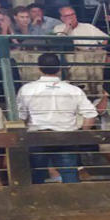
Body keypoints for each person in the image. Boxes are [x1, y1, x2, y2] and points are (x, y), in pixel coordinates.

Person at [17, 53, 98, 184]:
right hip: (65, 136)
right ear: (60, 68)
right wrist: (81, 134)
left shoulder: (27, 89)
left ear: (39, 68)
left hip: (37, 136)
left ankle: (36, 203)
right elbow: (91, 115)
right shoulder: (73, 90)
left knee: (37, 174)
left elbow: (21, 117)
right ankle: (73, 202)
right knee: (69, 173)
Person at [54, 6, 108, 97]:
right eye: (67, 16)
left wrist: (99, 48)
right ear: (62, 18)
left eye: (72, 14)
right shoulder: (58, 28)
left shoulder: (88, 27)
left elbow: (105, 39)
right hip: (72, 59)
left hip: (92, 56)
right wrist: (67, 27)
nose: (71, 17)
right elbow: (60, 42)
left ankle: (94, 91)